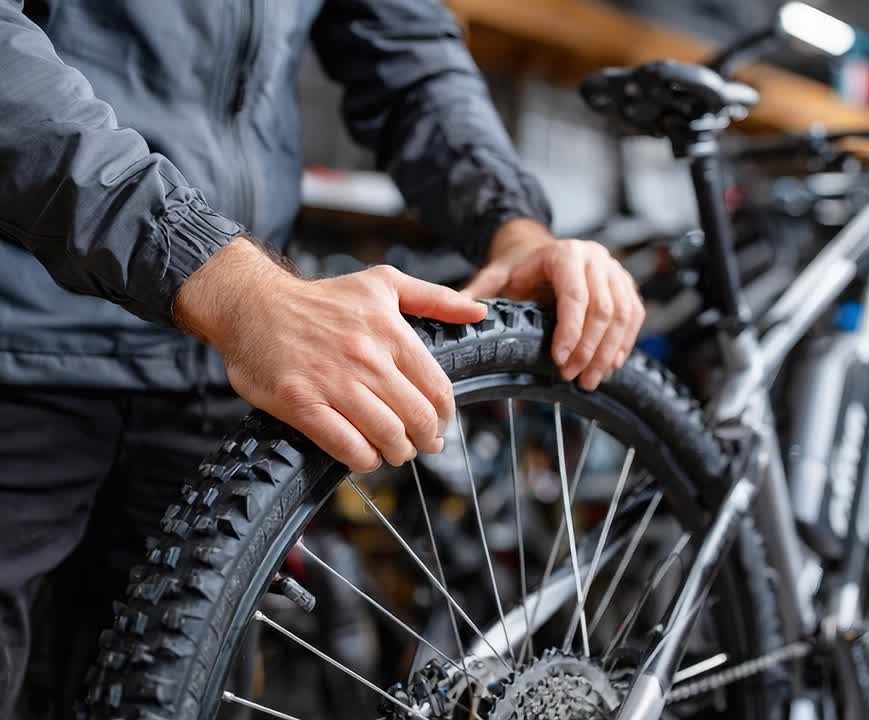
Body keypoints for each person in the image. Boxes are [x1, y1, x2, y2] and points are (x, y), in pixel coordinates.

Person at [0, 1, 644, 716]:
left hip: (211, 370)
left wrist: (512, 225)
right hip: (20, 341)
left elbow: (408, 54)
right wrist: (218, 276)